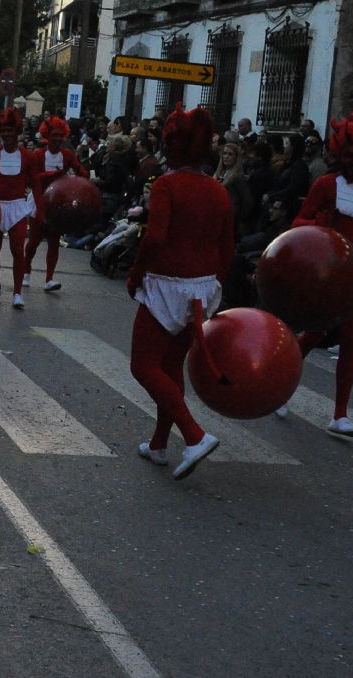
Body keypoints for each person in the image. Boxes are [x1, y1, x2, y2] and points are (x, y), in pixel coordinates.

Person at [127, 105, 232, 480]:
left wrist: (136, 273)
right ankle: (158, 444)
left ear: (173, 145)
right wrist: (214, 287)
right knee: (170, 367)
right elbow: (227, 246)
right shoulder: (219, 191)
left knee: (143, 366)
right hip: (203, 288)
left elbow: (155, 237)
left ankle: (194, 435)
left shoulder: (166, 185)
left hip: (166, 284)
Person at [290, 112, 353, 438]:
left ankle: (340, 414)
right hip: (327, 274)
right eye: (349, 155)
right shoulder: (325, 185)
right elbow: (298, 223)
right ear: (339, 155)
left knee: (351, 341)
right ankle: (281, 384)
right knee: (313, 335)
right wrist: (320, 224)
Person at [0, 107, 40, 308]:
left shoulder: (28, 157)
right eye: (3, 131)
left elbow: (36, 184)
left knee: (17, 249)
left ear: (17, 132)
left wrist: (40, 208)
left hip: (17, 207)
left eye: (10, 131)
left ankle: (17, 292)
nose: (6, 134)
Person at [23, 115, 89, 293]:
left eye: (61, 135)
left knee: (54, 241)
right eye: (55, 135)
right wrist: (50, 177)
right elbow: (32, 181)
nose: (58, 138)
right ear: (47, 135)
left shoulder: (67, 155)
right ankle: (26, 271)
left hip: (58, 203)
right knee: (34, 241)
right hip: (39, 200)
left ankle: (49, 278)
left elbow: (80, 170)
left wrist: (81, 174)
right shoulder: (37, 155)